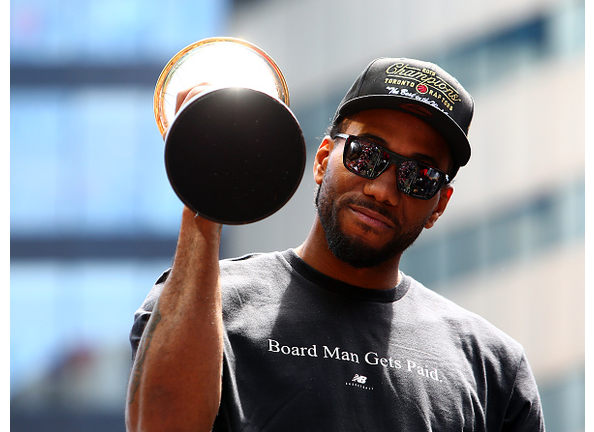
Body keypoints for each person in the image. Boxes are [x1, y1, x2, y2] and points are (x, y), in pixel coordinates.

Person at [125, 58, 545, 431]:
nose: (382, 189)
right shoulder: (205, 304)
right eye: (366, 153)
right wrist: (206, 195)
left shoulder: (493, 367)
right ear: (324, 160)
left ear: (439, 205)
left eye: (419, 175)